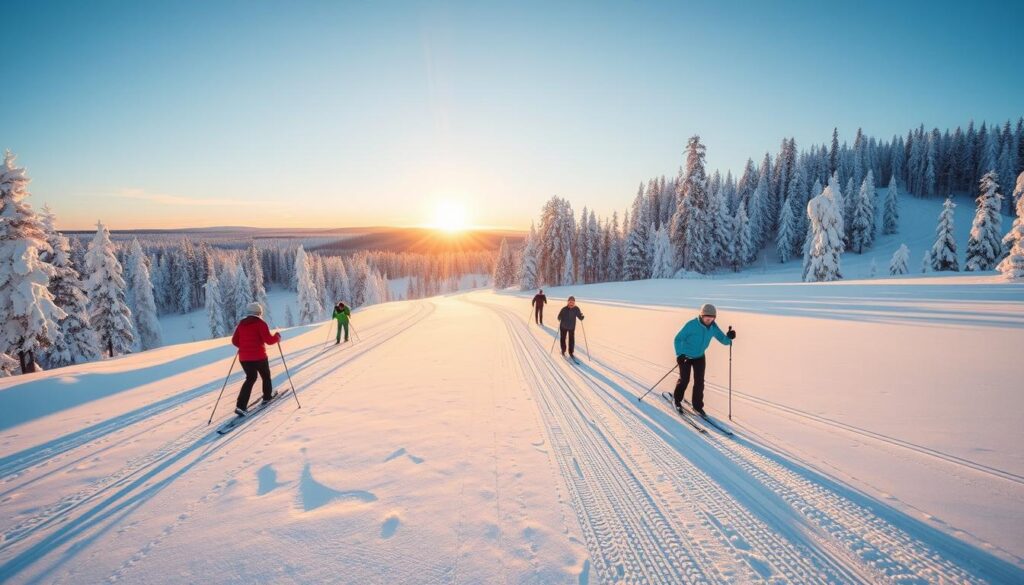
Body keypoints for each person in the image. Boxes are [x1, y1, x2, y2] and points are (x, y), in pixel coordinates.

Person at [672, 303, 735, 416]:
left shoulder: (713, 327)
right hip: (685, 357)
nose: (709, 320)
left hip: (699, 357)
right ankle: (676, 400)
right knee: (684, 380)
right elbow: (678, 339)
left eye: (712, 318)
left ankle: (697, 406)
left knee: (699, 382)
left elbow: (724, 340)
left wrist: (729, 337)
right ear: (701, 316)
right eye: (707, 318)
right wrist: (679, 354)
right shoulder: (691, 325)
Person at [231, 302, 281, 415]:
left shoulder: (241, 324)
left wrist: (244, 346)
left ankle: (241, 406)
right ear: (259, 313)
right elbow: (269, 340)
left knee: (250, 378)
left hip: (244, 358)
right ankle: (267, 397)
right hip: (259, 357)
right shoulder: (260, 323)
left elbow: (234, 341)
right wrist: (277, 337)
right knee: (266, 376)